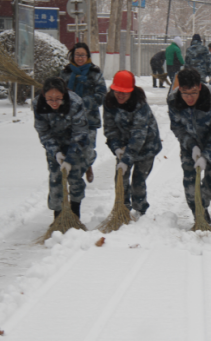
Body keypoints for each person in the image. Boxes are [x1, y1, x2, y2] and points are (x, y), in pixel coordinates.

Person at [167, 67, 211, 224]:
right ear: (179, 88)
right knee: (190, 183)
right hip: (191, 145)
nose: (189, 98)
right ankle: (199, 214)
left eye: (193, 93)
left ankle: (202, 205)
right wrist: (191, 146)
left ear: (200, 86)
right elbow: (177, 127)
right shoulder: (173, 100)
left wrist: (206, 157)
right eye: (185, 93)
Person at [103, 70, 162, 216]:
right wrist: (117, 149)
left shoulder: (140, 105)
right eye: (117, 91)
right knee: (120, 178)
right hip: (124, 145)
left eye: (124, 92)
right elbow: (110, 129)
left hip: (147, 146)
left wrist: (127, 158)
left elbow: (139, 135)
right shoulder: (109, 102)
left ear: (132, 91)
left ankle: (140, 211)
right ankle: (122, 210)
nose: (120, 95)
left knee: (138, 181)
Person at [33, 77, 91, 219]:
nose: (54, 102)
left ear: (64, 95)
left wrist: (70, 158)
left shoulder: (75, 103)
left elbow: (80, 133)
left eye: (58, 98)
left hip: (76, 143)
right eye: (50, 99)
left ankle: (75, 214)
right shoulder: (38, 104)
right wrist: (56, 152)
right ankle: (58, 217)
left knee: (75, 177)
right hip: (55, 143)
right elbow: (43, 132)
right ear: (43, 95)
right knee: (55, 178)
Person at [59, 42, 106, 183]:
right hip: (69, 119)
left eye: (83, 55)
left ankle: (88, 165)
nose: (80, 58)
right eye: (77, 55)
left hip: (89, 119)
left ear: (88, 56)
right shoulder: (65, 73)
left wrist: (83, 103)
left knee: (89, 149)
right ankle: (75, 176)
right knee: (71, 148)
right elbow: (58, 93)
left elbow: (102, 94)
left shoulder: (95, 73)